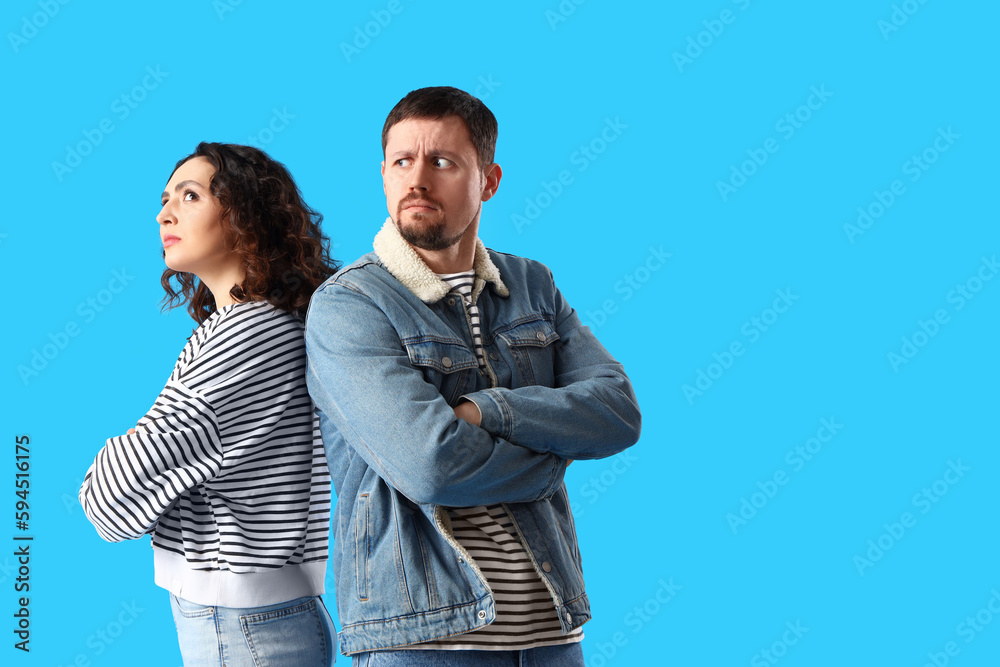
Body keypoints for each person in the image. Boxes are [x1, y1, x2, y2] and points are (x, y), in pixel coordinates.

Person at [305, 86, 642, 666]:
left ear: (488, 180)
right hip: (422, 639)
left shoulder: (533, 285)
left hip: (551, 634)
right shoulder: (351, 305)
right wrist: (554, 456)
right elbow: (430, 465)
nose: (417, 179)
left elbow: (616, 412)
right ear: (383, 174)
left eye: (442, 161)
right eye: (401, 161)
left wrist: (492, 411)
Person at [79, 142, 339, 667]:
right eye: (165, 198)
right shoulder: (260, 323)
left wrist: (111, 461)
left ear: (246, 216)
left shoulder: (245, 333)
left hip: (243, 628)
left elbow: (109, 503)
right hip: (260, 620)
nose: (164, 213)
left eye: (190, 195)